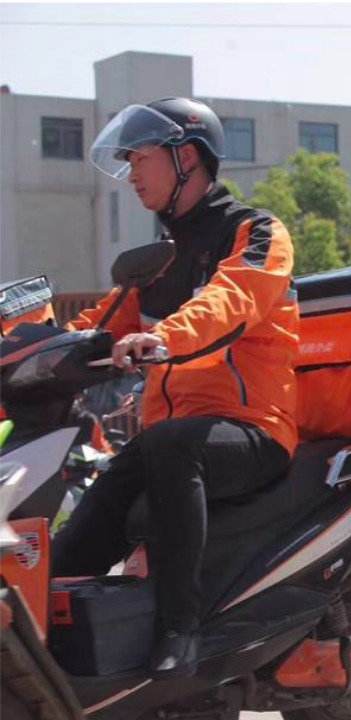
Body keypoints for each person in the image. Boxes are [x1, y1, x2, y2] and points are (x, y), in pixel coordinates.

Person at [52, 98, 299, 677]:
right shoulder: (159, 259)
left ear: (186, 157)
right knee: (86, 526)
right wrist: (37, 346)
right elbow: (101, 322)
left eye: (140, 158)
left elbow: (230, 299)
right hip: (175, 439)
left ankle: (180, 630)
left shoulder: (256, 231)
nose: (132, 172)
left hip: (253, 430)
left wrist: (162, 337)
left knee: (167, 446)